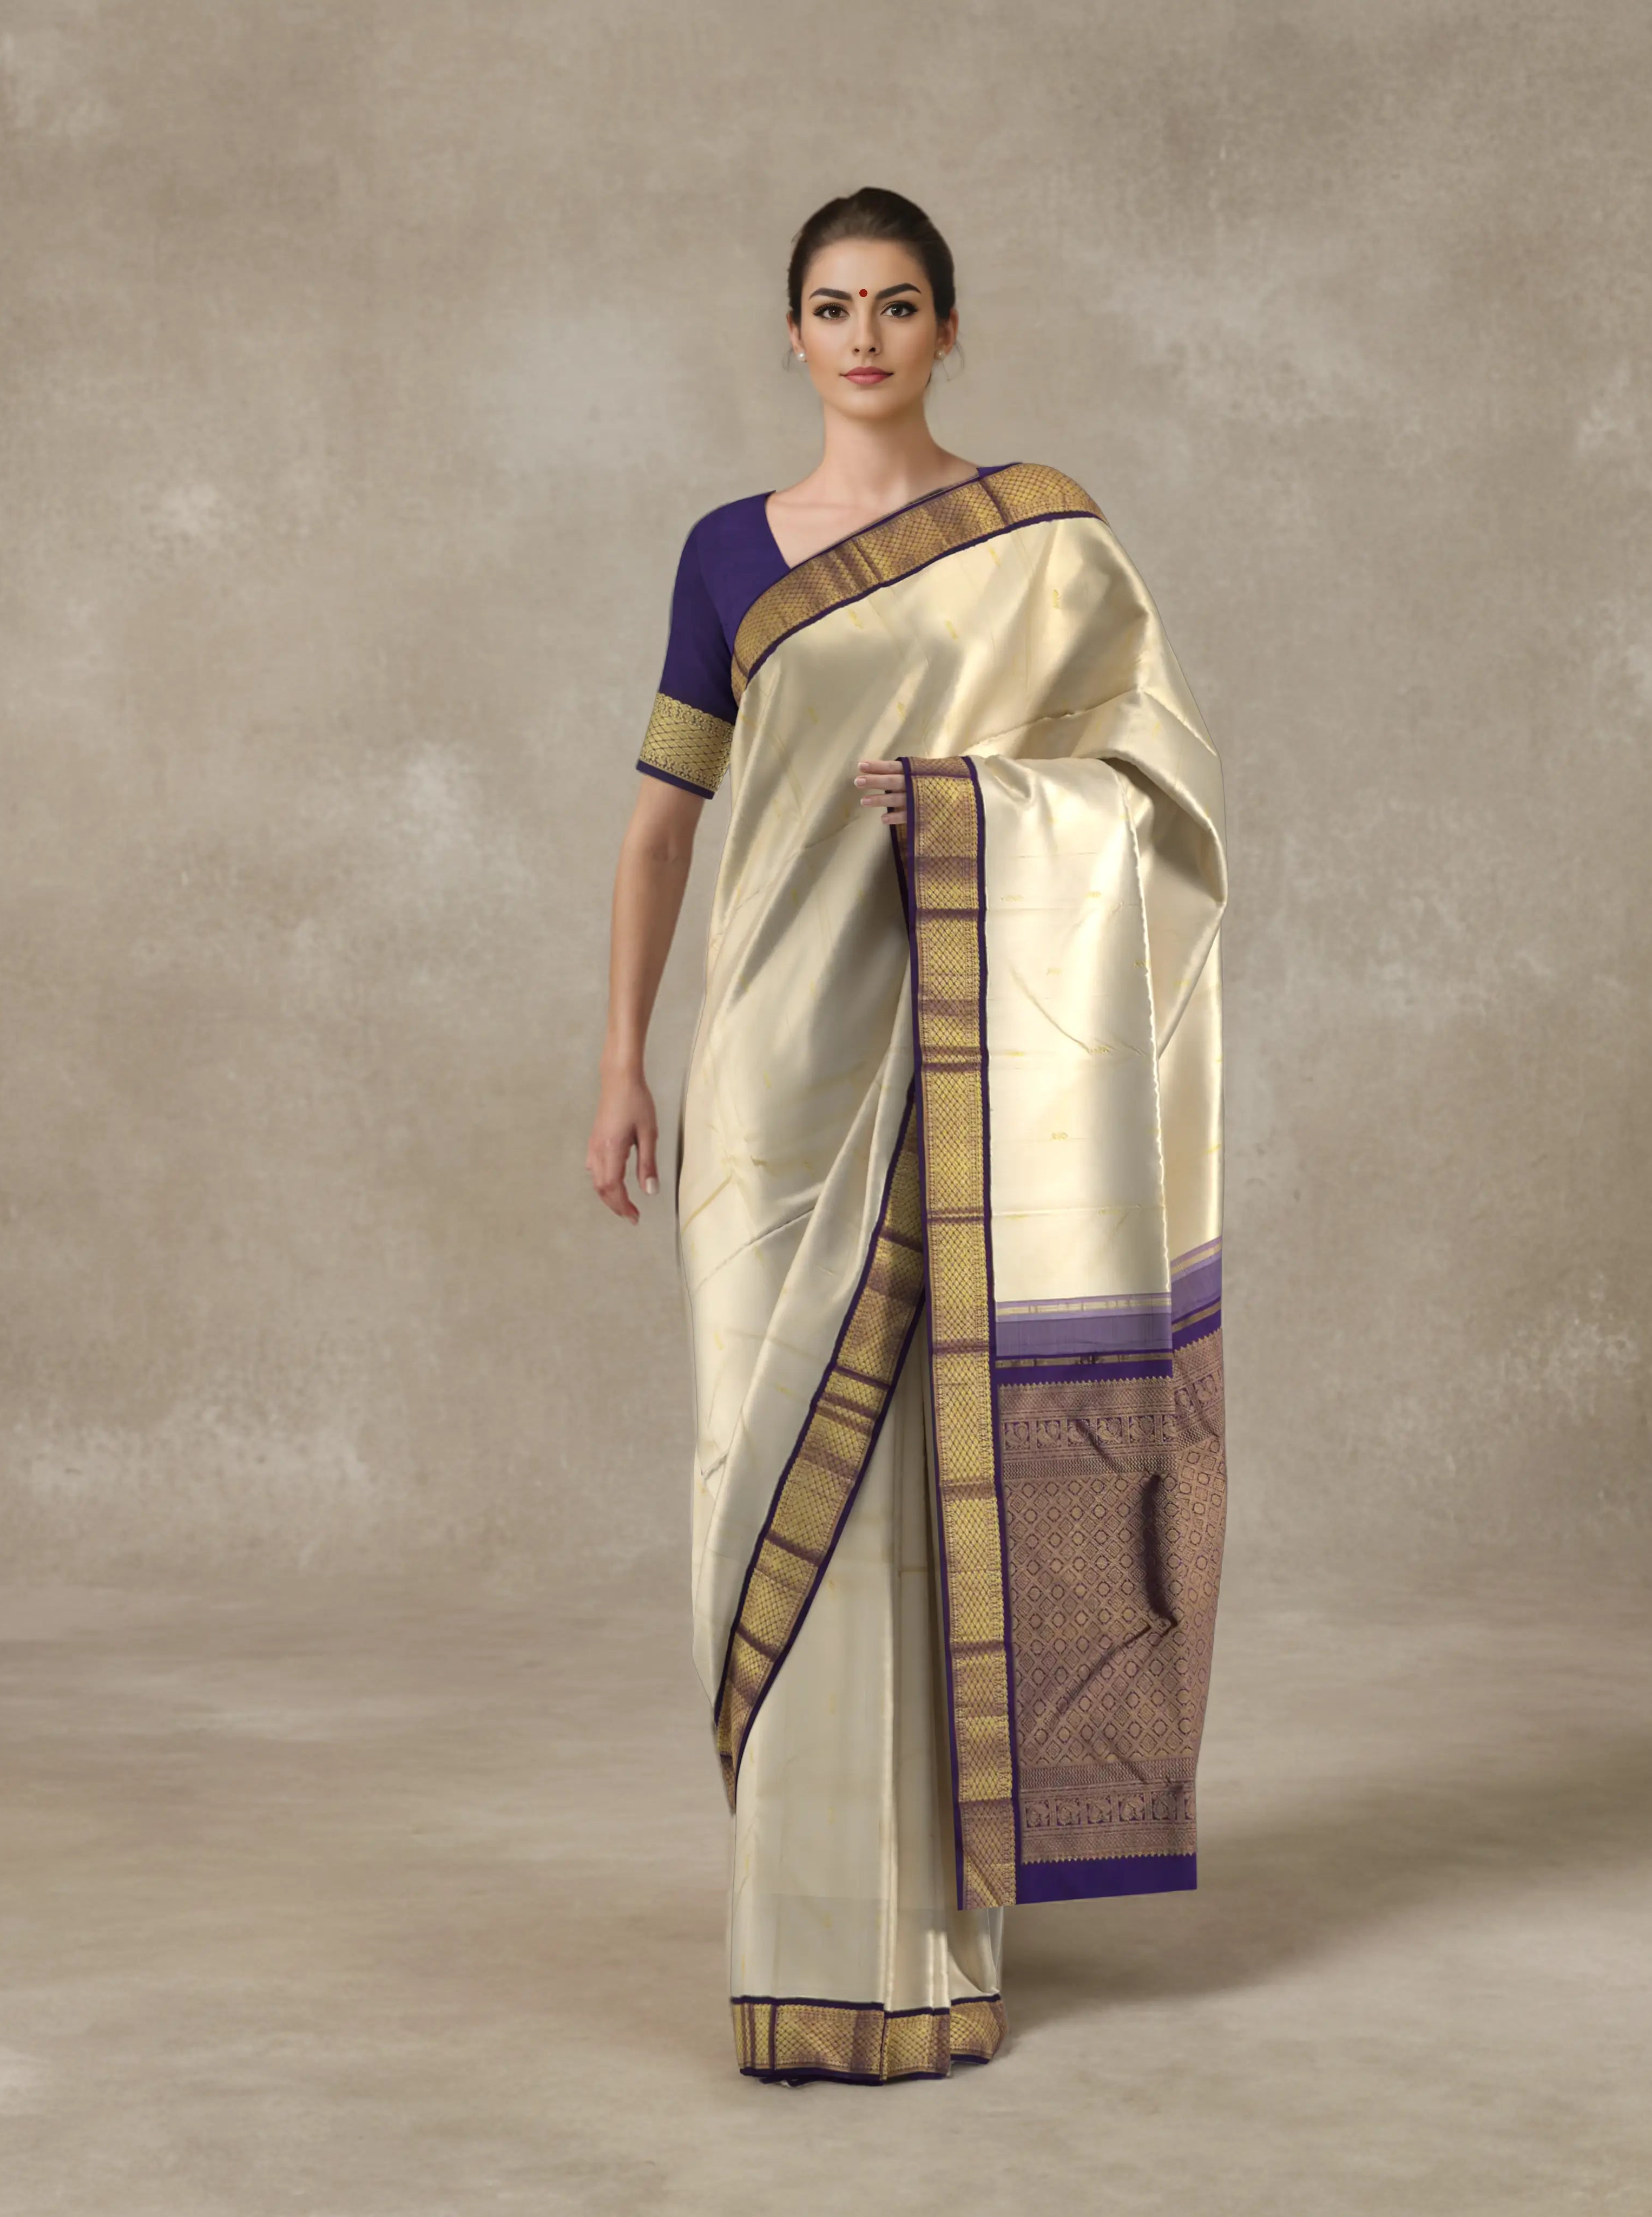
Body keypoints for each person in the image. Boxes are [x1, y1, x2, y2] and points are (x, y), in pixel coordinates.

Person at [586, 188, 1228, 2086]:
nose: (863, 336)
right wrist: (622, 1061)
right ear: (789, 334)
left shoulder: (1043, 539)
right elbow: (659, 831)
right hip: (770, 1089)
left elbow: (1160, 798)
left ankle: (928, 1953)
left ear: (950, 328)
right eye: (830, 306)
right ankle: (797, 1938)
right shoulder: (725, 554)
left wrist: (969, 804)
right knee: (760, 1473)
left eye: (896, 304)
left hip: (955, 1071)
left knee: (926, 1489)